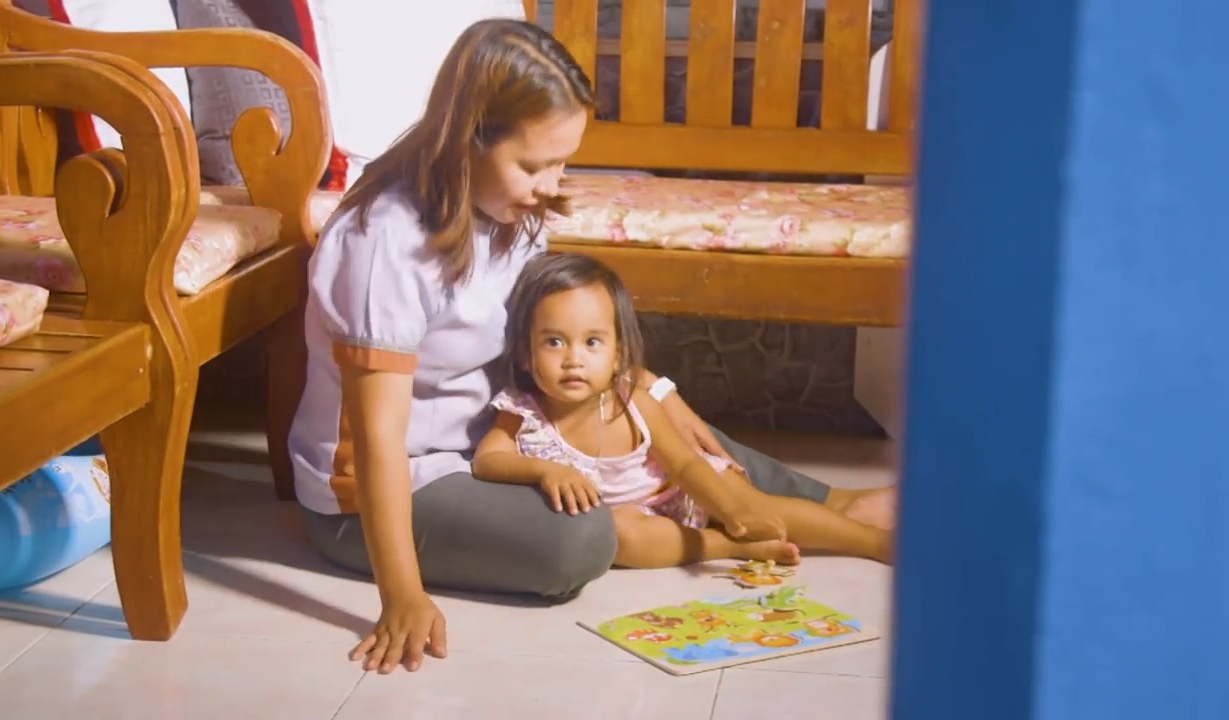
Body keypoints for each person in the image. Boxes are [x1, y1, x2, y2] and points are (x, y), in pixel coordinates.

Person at [287, 18, 897, 677]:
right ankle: (717, 532)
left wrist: (655, 392)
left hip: (494, 436)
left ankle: (838, 507)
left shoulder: (513, 210)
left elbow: (558, 336)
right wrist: (401, 595)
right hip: (383, 489)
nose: (552, 184)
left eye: (563, 162)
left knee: (660, 423)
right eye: (533, 165)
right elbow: (377, 440)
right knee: (579, 539)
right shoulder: (384, 243)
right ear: (468, 140)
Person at [472, 253, 894, 569]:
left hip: (687, 490)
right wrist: (544, 471)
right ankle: (726, 547)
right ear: (525, 354)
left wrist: (731, 509)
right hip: (636, 517)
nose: (573, 360)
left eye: (592, 342)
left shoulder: (633, 402)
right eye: (554, 342)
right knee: (621, 539)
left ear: (618, 355)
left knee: (761, 506)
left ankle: (871, 541)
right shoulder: (523, 411)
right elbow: (487, 459)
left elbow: (686, 464)